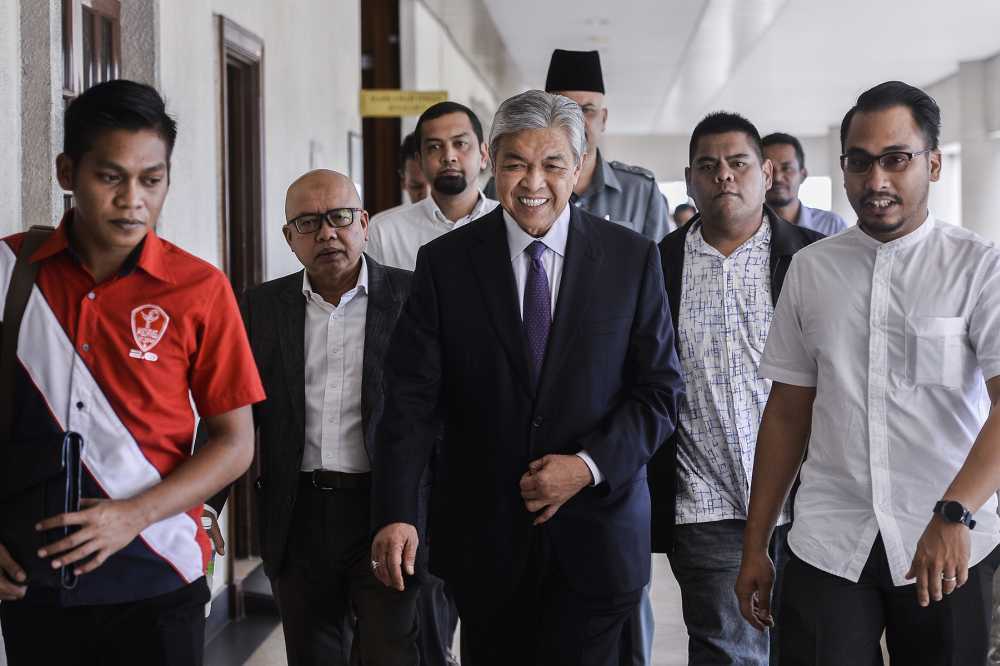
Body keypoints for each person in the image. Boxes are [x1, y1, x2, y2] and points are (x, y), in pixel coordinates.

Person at [370, 90, 683, 666]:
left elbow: (660, 393)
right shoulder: (445, 264)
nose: (533, 181)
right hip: (485, 539)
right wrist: (396, 510)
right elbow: (411, 399)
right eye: (516, 163)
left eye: (553, 164)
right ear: (491, 160)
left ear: (580, 165)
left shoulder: (631, 259)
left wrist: (585, 467)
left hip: (598, 534)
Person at [0, 79, 264, 666]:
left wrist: (132, 517)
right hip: (35, 584)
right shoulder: (11, 273)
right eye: (110, 177)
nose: (132, 200)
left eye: (152, 179)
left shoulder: (201, 290)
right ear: (68, 171)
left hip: (160, 576)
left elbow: (234, 442)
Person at [736, 81, 1000, 665]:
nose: (876, 180)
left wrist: (957, 511)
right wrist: (756, 544)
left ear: (932, 164)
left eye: (896, 160)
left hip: (947, 543)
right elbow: (786, 412)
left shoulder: (979, 267)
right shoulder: (811, 269)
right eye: (859, 162)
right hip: (830, 540)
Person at [649, 112, 823, 666]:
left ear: (767, 173)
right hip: (704, 501)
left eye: (738, 163)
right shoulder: (656, 267)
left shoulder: (814, 260)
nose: (724, 175)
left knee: (809, 645)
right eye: (708, 166)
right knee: (728, 651)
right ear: (690, 178)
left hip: (808, 500)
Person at [230, 169, 420, 665]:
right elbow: (233, 412)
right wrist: (203, 509)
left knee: (389, 654)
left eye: (339, 217)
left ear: (364, 222)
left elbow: (438, 414)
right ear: (289, 238)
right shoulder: (261, 307)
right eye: (309, 223)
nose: (327, 233)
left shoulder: (414, 299)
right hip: (298, 517)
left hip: (386, 511)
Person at [485, 49, 671, 244]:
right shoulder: (504, 185)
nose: (576, 121)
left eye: (587, 110)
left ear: (604, 118)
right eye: (565, 109)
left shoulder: (640, 191)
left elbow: (658, 267)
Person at [367, 102, 498, 270]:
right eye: (434, 147)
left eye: (460, 143)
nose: (448, 156)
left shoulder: (510, 222)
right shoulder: (385, 232)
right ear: (420, 160)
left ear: (484, 155)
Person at [762, 132, 848, 235]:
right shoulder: (744, 229)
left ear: (803, 175)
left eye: (787, 168)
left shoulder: (832, 226)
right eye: (768, 170)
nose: (777, 177)